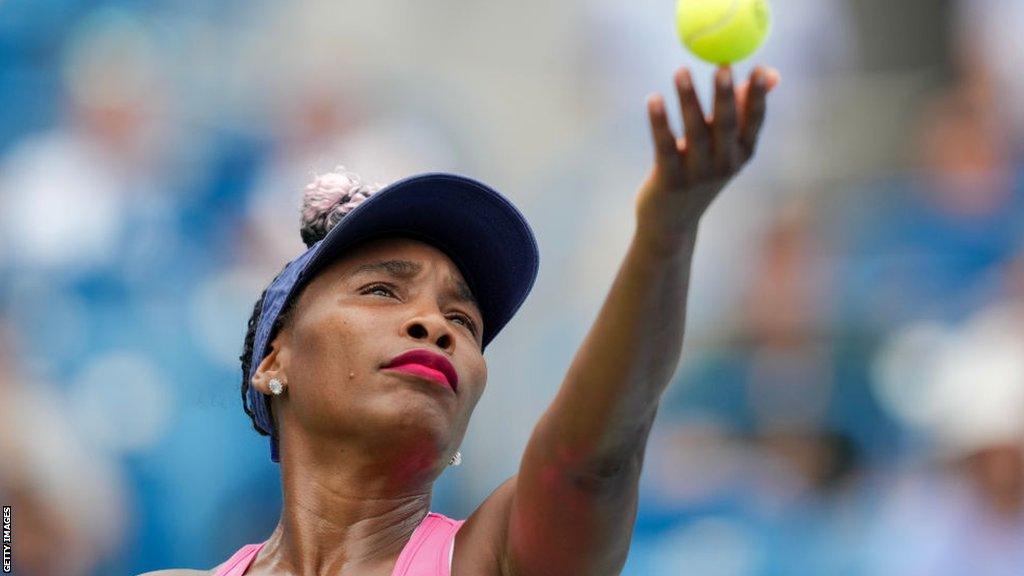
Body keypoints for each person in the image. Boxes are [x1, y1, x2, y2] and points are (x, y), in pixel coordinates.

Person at [141, 63, 779, 576]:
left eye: (464, 321)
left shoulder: (494, 560)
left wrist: (664, 237)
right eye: (384, 291)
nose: (435, 325)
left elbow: (592, 462)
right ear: (275, 358)